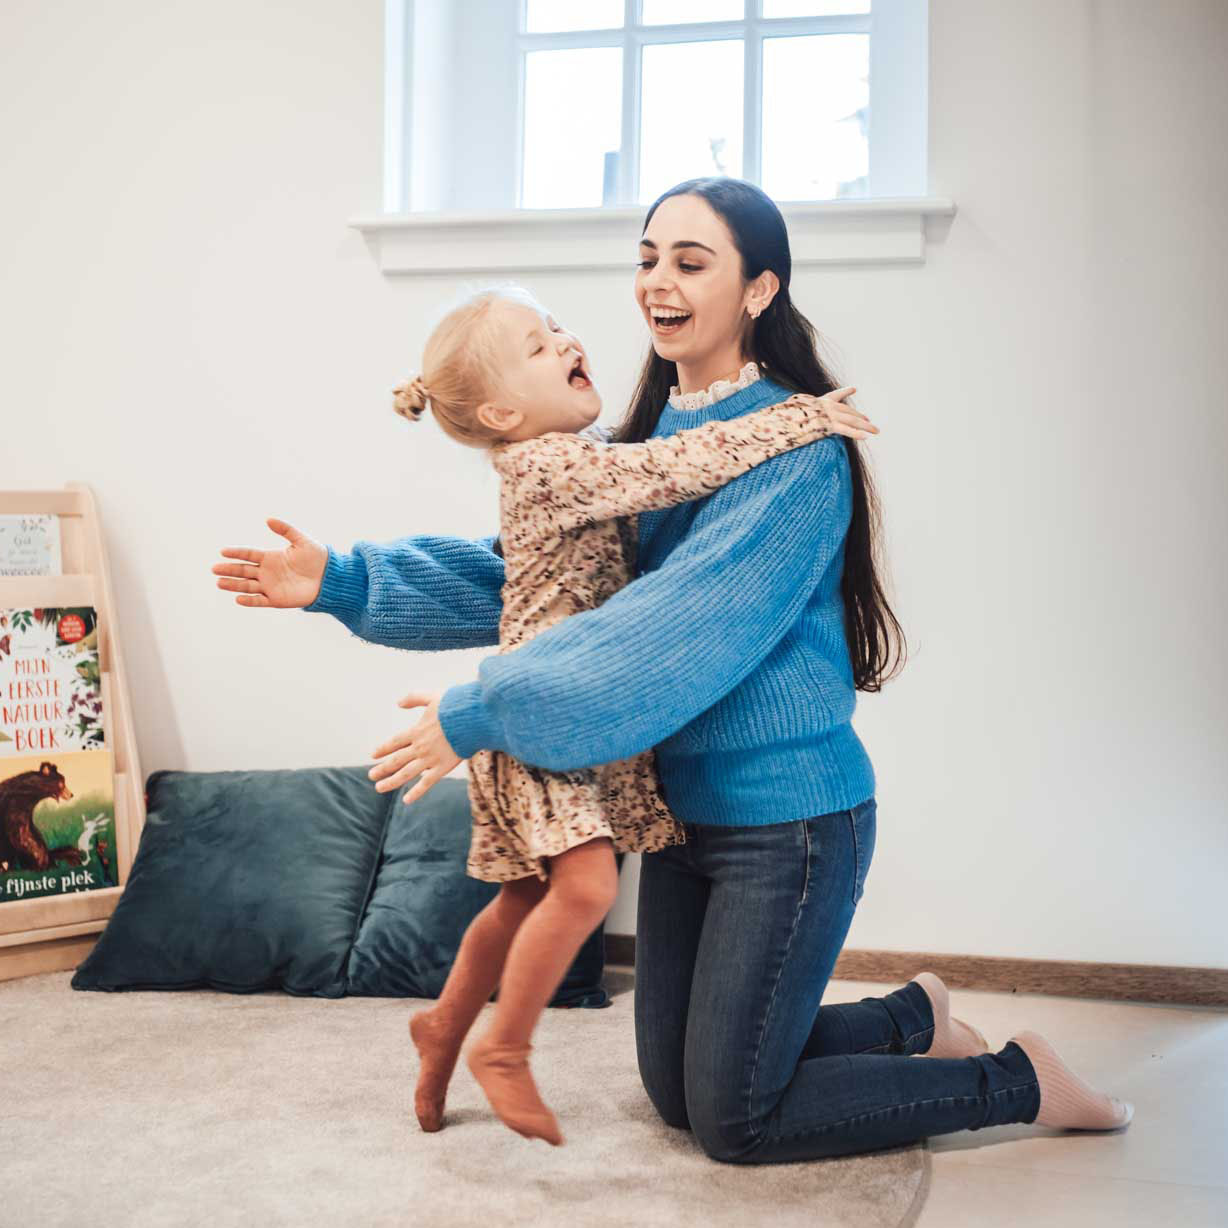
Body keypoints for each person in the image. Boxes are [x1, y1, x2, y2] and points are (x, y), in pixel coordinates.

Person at [213, 177, 1132, 1163]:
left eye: (690, 263)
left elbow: (663, 634)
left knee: (737, 1119)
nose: (657, 281)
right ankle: (912, 1017)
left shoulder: (791, 453)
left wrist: (477, 712)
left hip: (787, 823)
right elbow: (536, 584)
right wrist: (342, 582)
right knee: (678, 1092)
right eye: (647, 258)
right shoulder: (647, 447)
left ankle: (1018, 1080)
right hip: (682, 816)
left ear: (757, 291)